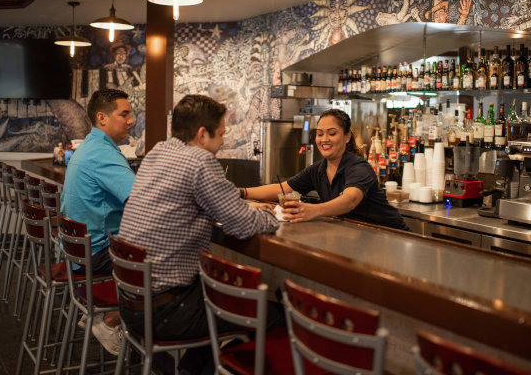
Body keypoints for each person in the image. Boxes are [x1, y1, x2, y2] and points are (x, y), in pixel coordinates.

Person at [117, 95, 282, 375]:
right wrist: (275, 216)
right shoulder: (200, 162)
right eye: (221, 135)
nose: (223, 142)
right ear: (202, 134)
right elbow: (241, 225)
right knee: (275, 317)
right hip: (164, 312)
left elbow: (195, 201)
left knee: (214, 299)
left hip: (131, 303)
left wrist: (239, 205)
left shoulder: (158, 151)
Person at [243, 109, 411, 232]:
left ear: (347, 137)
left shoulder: (358, 167)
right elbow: (281, 188)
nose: (324, 139)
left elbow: (350, 200)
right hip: (360, 236)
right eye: (320, 133)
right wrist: (241, 192)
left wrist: (313, 211)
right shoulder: (318, 169)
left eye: (332, 133)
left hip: (394, 237)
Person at [60, 89, 136, 355]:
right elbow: (140, 198)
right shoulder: (103, 154)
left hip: (79, 253)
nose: (131, 120)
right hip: (96, 254)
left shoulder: (90, 147)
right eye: (124, 114)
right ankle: (109, 318)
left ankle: (98, 311)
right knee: (166, 261)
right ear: (102, 118)